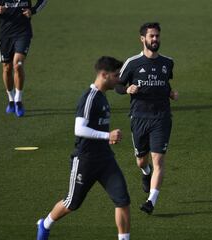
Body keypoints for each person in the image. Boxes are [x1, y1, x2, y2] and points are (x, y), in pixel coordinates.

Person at [36, 56, 131, 240]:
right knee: (72, 203)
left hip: (105, 160)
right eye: (116, 75)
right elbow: (79, 129)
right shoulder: (90, 97)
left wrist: (108, 138)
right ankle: (45, 223)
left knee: (123, 200)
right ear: (104, 75)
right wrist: (107, 135)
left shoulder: (103, 97)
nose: (119, 78)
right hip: (85, 161)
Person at [116, 22, 178, 214]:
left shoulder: (168, 63)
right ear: (142, 39)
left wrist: (170, 93)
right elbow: (117, 85)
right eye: (151, 36)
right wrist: (127, 89)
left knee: (158, 160)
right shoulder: (132, 63)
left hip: (161, 118)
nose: (155, 39)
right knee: (142, 161)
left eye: (157, 36)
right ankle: (145, 172)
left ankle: (151, 201)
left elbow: (164, 84)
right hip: (139, 118)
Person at [0, 0, 47, 117]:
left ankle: (18, 101)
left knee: (17, 64)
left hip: (23, 33)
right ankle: (11, 100)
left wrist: (33, 10)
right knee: (7, 68)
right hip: (5, 36)